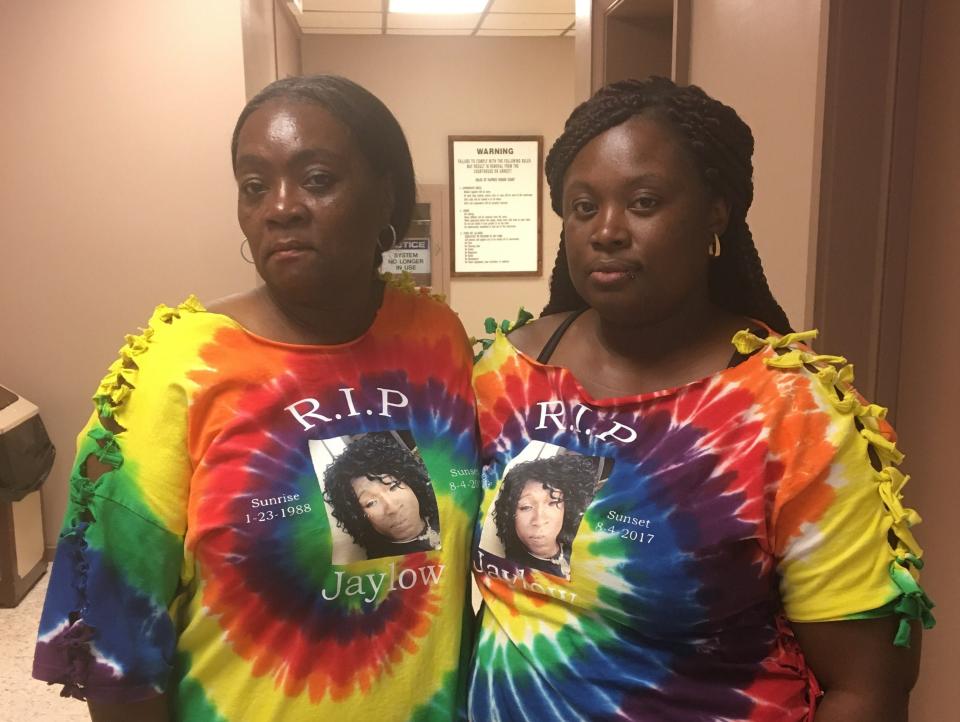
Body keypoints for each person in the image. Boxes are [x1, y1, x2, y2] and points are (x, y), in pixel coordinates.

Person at [469, 77, 933, 721]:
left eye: (644, 201)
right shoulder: (508, 371)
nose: (606, 230)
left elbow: (866, 686)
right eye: (582, 207)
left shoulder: (794, 409)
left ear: (716, 212)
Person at [33, 75, 481, 722]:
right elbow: (116, 646)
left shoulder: (437, 341)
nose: (280, 207)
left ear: (387, 196)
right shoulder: (179, 368)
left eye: (318, 179)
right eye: (254, 186)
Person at [323, 431, 441, 559]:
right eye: (370, 503)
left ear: (411, 482)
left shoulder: (449, 508)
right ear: (358, 516)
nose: (392, 508)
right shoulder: (383, 568)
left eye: (394, 486)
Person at [490, 455, 597, 578]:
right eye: (526, 507)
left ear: (567, 508)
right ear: (510, 516)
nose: (539, 520)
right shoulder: (513, 574)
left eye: (553, 502)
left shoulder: (584, 547)